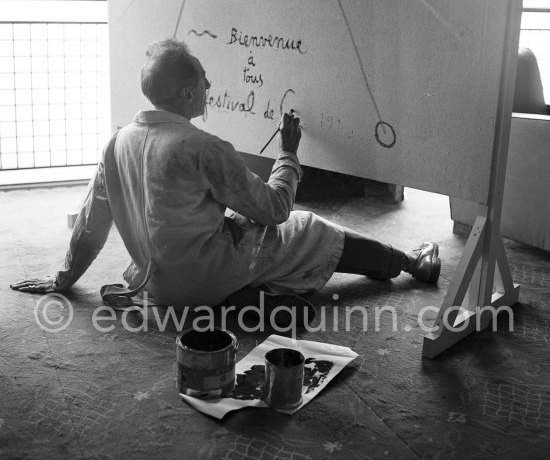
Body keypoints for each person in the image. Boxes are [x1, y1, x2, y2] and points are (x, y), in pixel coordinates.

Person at [11, 38, 440, 327]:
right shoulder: (201, 146)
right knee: (307, 228)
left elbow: (90, 224)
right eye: (202, 78)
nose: (209, 86)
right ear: (185, 94)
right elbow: (275, 209)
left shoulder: (115, 142)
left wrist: (63, 279)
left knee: (237, 219)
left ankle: (239, 302)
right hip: (201, 278)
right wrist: (288, 153)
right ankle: (408, 263)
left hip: (155, 282)